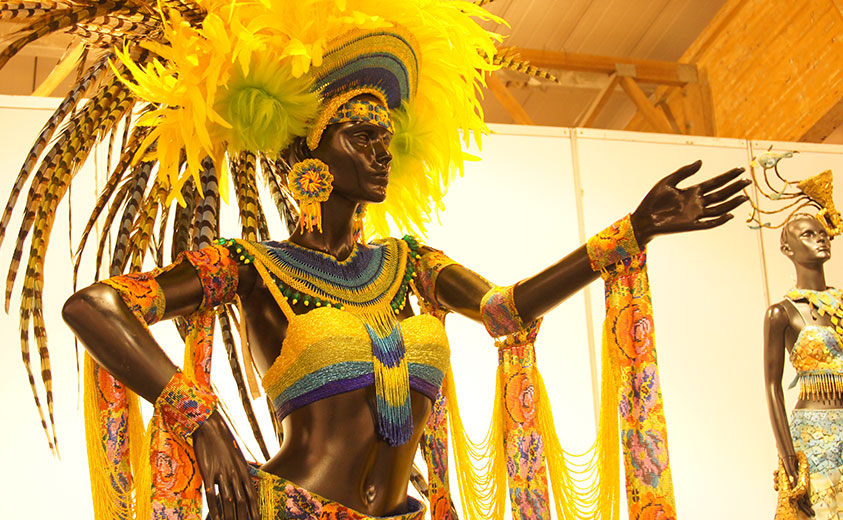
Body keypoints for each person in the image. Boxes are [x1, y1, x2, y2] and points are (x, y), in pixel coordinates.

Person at [4, 1, 748, 519]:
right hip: (286, 510)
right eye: (360, 132)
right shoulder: (249, 265)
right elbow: (95, 307)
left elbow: (504, 311)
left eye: (387, 133)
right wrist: (205, 424)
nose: (381, 146)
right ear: (310, 155)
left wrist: (629, 232)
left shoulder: (408, 264)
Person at [765, 213, 843, 518]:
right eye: (808, 235)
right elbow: (772, 388)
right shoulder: (781, 314)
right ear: (787, 248)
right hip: (814, 434)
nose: (820, 238)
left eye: (822, 233)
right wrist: (788, 457)